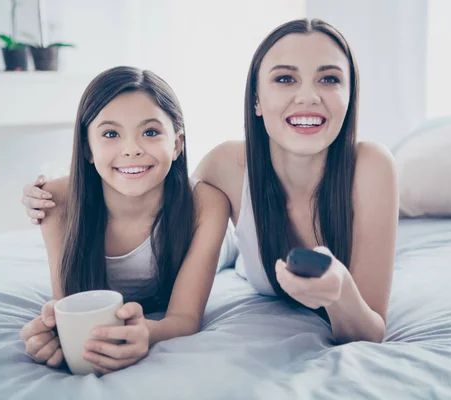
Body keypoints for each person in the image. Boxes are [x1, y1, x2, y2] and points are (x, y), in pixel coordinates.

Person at [21, 19, 398, 345]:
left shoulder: (372, 167)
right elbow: (152, 184)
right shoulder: (225, 167)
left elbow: (369, 332)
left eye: (329, 79)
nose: (308, 96)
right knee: (224, 252)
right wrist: (61, 190)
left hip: (228, 248)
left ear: (350, 95)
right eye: (285, 78)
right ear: (256, 99)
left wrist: (339, 293)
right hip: (228, 254)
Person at [19, 66, 230, 375]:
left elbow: (185, 318)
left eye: (150, 132)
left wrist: (148, 332)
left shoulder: (208, 204)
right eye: (110, 134)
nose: (131, 149)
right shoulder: (55, 201)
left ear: (177, 143)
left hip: (222, 249)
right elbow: (69, 303)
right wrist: (53, 335)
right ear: (88, 147)